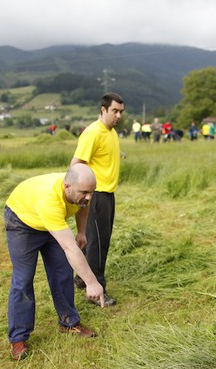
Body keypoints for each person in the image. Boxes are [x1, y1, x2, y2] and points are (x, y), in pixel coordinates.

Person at [5, 163, 105, 361]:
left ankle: (69, 323)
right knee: (23, 279)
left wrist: (82, 231)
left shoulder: (78, 189)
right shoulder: (50, 199)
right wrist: (92, 282)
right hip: (22, 222)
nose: (89, 197)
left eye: (91, 192)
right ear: (67, 186)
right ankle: (18, 338)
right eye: (84, 192)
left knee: (62, 272)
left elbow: (82, 206)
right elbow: (70, 248)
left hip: (50, 221)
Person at [71, 93, 124, 307]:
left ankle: (80, 278)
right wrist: (77, 196)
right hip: (95, 195)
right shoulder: (92, 132)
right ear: (103, 109)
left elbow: (103, 152)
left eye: (121, 112)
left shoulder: (111, 132)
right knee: (98, 244)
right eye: (114, 111)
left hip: (108, 194)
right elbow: (77, 162)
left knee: (98, 240)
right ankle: (97, 288)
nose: (118, 115)